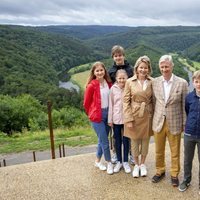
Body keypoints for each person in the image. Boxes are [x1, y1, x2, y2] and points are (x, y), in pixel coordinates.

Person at [151, 55, 188, 187]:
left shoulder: (182, 83)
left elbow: (185, 105)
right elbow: (155, 103)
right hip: (159, 122)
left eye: (167, 66)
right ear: (159, 67)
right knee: (158, 150)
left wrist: (184, 123)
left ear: (172, 66)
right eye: (162, 67)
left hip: (175, 122)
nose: (164, 69)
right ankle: (160, 171)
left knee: (175, 151)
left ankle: (174, 174)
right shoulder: (155, 82)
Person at [123, 55, 154, 177]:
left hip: (147, 115)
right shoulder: (129, 82)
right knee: (134, 142)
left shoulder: (152, 81)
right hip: (134, 115)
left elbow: (154, 100)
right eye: (141, 67)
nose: (143, 70)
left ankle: (143, 164)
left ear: (148, 69)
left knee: (146, 141)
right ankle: (136, 165)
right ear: (137, 68)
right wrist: (128, 119)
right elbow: (125, 101)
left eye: (145, 68)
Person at [83, 61, 114, 175]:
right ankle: (109, 162)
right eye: (97, 71)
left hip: (108, 114)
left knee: (102, 140)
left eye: (101, 70)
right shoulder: (91, 86)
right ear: (94, 72)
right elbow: (86, 103)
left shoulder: (109, 84)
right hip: (97, 116)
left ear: (104, 71)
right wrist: (91, 114)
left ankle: (97, 161)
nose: (100, 72)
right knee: (105, 141)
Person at [108, 45, 134, 165]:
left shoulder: (130, 69)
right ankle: (116, 153)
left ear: (124, 55)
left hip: (128, 104)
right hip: (117, 106)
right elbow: (110, 87)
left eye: (120, 55)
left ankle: (130, 154)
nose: (118, 57)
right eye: (116, 56)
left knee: (129, 133)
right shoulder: (111, 71)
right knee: (116, 135)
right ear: (113, 57)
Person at [179, 70, 200, 192]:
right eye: (196, 81)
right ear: (193, 82)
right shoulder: (189, 97)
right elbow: (187, 111)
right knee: (187, 159)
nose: (199, 84)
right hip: (189, 133)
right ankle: (186, 180)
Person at [108, 69, 131, 174]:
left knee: (126, 141)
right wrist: (110, 119)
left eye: (124, 78)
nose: (122, 80)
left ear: (127, 78)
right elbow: (111, 105)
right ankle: (119, 161)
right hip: (116, 119)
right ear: (116, 78)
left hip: (126, 119)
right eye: (120, 78)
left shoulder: (129, 87)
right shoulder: (113, 89)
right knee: (117, 141)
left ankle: (126, 161)